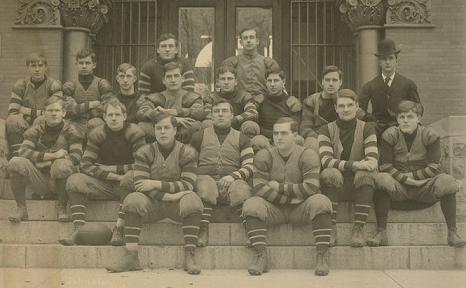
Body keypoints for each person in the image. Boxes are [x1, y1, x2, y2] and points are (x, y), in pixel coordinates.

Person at [105, 112, 203, 274]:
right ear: (154, 130)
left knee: (192, 201)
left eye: (166, 128)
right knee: (133, 199)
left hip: (177, 206)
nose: (162, 132)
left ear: (175, 130)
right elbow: (141, 185)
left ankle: (189, 255)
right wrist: (169, 195)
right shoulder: (145, 151)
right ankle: (131, 256)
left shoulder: (187, 152)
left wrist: (155, 183)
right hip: (153, 205)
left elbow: (188, 184)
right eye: (159, 128)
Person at [367, 100, 466, 248]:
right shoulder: (390, 135)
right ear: (397, 119)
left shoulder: (430, 135)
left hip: (424, 186)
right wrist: (406, 180)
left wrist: (413, 178)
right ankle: (382, 232)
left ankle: (452, 232)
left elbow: (435, 167)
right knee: (381, 179)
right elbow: (385, 166)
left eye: (410, 116)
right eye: (401, 117)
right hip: (398, 187)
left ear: (419, 118)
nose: (405, 121)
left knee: (447, 181)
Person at [242, 117, 332, 276]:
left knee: (321, 201)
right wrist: (290, 198)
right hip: (275, 209)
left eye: (284, 133)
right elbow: (259, 188)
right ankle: (261, 256)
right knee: (252, 204)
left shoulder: (308, 154)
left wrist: (279, 187)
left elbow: (311, 188)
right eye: (276, 133)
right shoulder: (264, 155)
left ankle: (322, 256)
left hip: (301, 209)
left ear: (295, 135)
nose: (278, 137)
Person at [59, 99, 146, 246]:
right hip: (104, 183)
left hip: (126, 186)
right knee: (75, 180)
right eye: (110, 115)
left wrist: (109, 169)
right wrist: (113, 175)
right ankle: (79, 229)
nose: (113, 118)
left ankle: (119, 228)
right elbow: (85, 164)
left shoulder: (135, 132)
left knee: (131, 177)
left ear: (124, 116)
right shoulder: (97, 134)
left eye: (117, 115)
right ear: (104, 117)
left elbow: (142, 165)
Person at [318, 89, 379, 248]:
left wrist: (361, 166)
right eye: (342, 106)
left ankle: (358, 229)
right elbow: (326, 160)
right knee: (329, 172)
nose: (346, 109)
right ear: (336, 108)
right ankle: (331, 229)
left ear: (357, 106)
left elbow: (372, 159)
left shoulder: (367, 128)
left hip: (360, 186)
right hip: (335, 186)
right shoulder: (325, 130)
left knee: (367, 172)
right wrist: (356, 164)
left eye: (350, 105)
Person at [8, 96, 83, 223]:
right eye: (50, 110)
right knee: (15, 162)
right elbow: (23, 152)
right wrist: (52, 156)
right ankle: (21, 208)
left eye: (57, 110)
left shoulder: (71, 131)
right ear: (43, 113)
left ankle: (62, 207)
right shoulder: (36, 130)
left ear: (63, 113)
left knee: (62, 164)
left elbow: (76, 157)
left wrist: (48, 163)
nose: (54, 113)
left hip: (62, 181)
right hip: (40, 179)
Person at [190, 98, 254, 247]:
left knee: (242, 188)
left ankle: (249, 231)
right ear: (211, 115)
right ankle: (203, 230)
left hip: (231, 184)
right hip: (205, 183)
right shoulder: (198, 136)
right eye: (216, 111)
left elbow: (250, 166)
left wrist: (233, 177)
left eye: (224, 111)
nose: (220, 114)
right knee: (205, 184)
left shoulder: (242, 138)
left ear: (231, 115)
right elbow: (189, 164)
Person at [360, 39, 421, 138]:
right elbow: (360, 109)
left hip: (401, 125)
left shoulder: (408, 84)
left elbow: (419, 108)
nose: (387, 62)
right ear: (379, 62)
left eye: (391, 58)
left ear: (396, 61)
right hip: (378, 126)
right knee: (368, 128)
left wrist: (406, 118)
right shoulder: (369, 86)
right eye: (384, 59)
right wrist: (372, 119)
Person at [6, 52, 63, 158]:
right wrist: (39, 112)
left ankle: (39, 155)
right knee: (13, 120)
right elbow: (12, 113)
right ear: (28, 68)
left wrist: (25, 111)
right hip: (25, 125)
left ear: (46, 67)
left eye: (40, 65)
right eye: (33, 66)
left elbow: (54, 112)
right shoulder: (20, 85)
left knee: (42, 119)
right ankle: (17, 155)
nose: (37, 69)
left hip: (45, 127)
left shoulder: (54, 85)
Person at [137, 62, 203, 143]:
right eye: (169, 77)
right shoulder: (155, 97)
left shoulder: (193, 96)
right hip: (160, 134)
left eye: (176, 76)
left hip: (184, 136)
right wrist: (170, 118)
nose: (173, 80)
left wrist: (174, 112)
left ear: (182, 78)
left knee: (195, 125)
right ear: (163, 80)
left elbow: (198, 111)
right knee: (142, 126)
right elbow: (142, 112)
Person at [63, 49, 115, 138]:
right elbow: (67, 110)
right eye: (81, 63)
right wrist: (90, 105)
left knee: (95, 123)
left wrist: (80, 111)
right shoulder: (70, 85)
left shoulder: (101, 84)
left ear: (94, 65)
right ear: (76, 64)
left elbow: (107, 107)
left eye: (87, 63)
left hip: (96, 124)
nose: (84, 66)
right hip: (75, 123)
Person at [251, 68, 303, 151]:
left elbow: (295, 127)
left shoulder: (292, 103)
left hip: (285, 137)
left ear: (283, 82)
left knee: (297, 139)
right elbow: (255, 124)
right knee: (257, 141)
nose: (272, 84)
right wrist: (271, 134)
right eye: (269, 81)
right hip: (265, 138)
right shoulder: (259, 100)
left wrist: (280, 135)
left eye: (276, 80)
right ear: (266, 83)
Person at [222, 28, 279, 100]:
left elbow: (279, 85)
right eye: (245, 38)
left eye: (251, 37)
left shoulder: (268, 62)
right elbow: (223, 86)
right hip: (239, 103)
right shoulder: (231, 62)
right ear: (240, 42)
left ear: (257, 41)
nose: (248, 40)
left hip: (264, 103)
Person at [202, 66, 259, 137]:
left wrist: (233, 120)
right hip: (217, 132)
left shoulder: (244, 96)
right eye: (223, 79)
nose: (226, 82)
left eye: (229, 79)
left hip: (238, 133)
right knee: (207, 123)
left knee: (250, 125)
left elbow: (252, 112)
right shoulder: (211, 97)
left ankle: (245, 146)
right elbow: (207, 114)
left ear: (235, 82)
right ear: (218, 82)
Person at [300, 66, 343, 153]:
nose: (331, 83)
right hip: (317, 138)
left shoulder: (346, 100)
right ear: (323, 82)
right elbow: (305, 128)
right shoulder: (311, 101)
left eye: (334, 80)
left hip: (340, 137)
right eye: (327, 80)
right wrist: (321, 138)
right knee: (311, 143)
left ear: (340, 82)